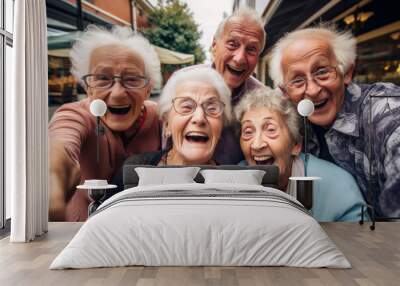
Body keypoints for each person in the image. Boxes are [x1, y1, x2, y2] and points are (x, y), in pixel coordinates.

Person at [268, 25, 400, 218]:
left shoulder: (382, 109)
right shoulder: (292, 122)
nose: (312, 90)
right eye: (297, 80)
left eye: (322, 71)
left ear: (347, 72)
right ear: (286, 92)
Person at [48, 25, 162, 221]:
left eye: (132, 79)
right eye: (102, 79)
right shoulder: (75, 115)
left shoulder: (161, 117)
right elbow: (59, 146)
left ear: (148, 89)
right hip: (81, 234)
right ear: (88, 88)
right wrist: (51, 183)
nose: (117, 93)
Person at [235, 87, 366, 221]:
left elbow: (359, 238)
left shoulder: (338, 187)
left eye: (270, 129)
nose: (257, 145)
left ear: (296, 145)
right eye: (248, 132)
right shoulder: (235, 183)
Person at [172, 7, 266, 164]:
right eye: (232, 44)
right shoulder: (182, 82)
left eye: (251, 49)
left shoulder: (262, 99)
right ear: (214, 46)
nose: (240, 58)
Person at [115, 66, 231, 189]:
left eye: (212, 109)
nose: (199, 118)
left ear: (221, 127)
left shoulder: (233, 181)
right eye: (186, 107)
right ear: (167, 124)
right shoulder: (134, 170)